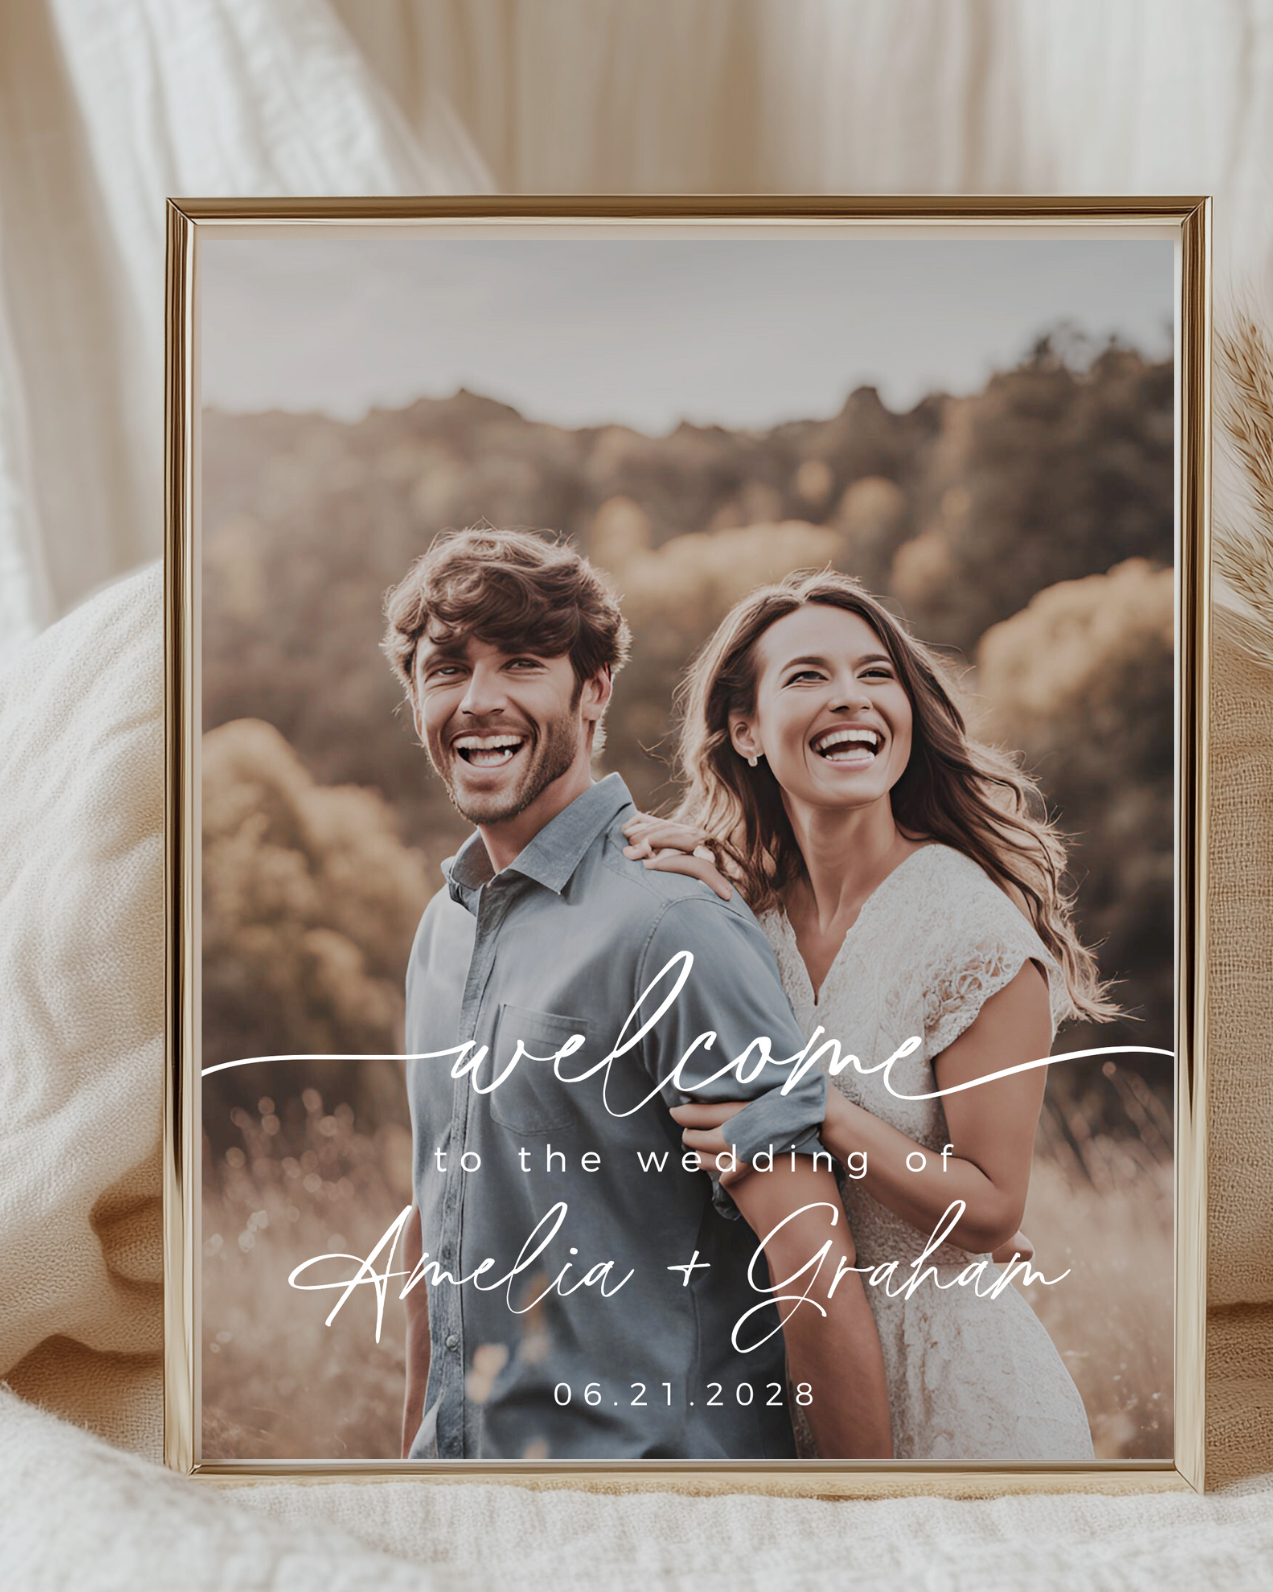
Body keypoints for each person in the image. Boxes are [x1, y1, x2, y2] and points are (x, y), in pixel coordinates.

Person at [381, 529, 891, 1462]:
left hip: (658, 1503)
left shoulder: (673, 926)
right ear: (415, 697)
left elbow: (810, 1261)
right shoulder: (441, 934)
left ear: (595, 690)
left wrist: (867, 1530)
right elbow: (437, 1230)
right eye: (447, 668)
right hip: (472, 1496)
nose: (479, 699)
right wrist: (416, 1473)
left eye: (523, 664)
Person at [625, 571, 1105, 1460]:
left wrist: (826, 1111)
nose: (850, 697)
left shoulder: (969, 927)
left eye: (875, 674)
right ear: (746, 730)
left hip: (964, 1398)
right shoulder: (746, 922)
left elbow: (996, 1211)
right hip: (791, 1383)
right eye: (807, 677)